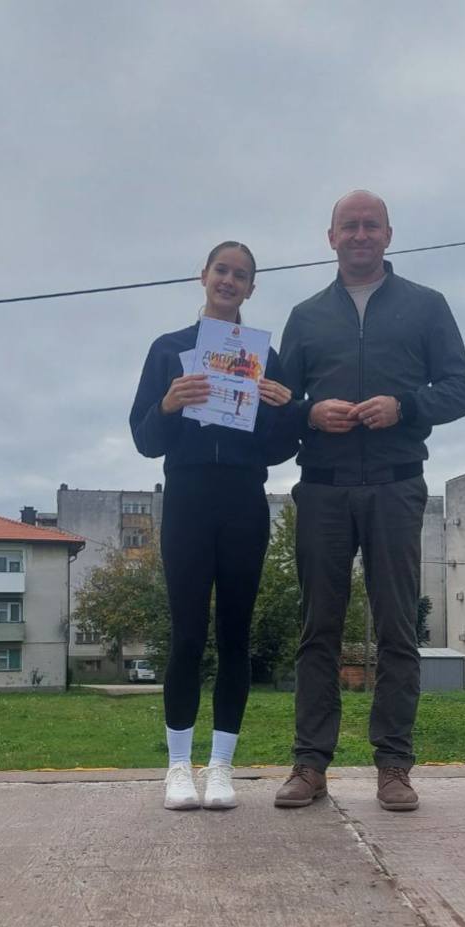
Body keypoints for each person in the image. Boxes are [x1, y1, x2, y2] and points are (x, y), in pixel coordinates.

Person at [276, 190, 465, 811]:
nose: (360, 235)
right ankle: (310, 764)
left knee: (397, 627)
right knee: (318, 629)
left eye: (370, 225)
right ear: (330, 237)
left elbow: (462, 389)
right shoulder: (305, 316)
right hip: (323, 488)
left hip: (396, 484)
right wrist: (311, 412)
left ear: (389, 234)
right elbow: (279, 404)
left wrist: (405, 406)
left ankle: (394, 766)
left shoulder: (426, 306)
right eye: (349, 226)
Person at [130, 241, 299, 811]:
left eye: (241, 275)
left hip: (244, 502)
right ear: (202, 275)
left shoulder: (265, 356)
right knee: (185, 635)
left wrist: (284, 408)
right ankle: (178, 766)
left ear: (252, 287)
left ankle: (221, 765)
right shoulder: (168, 349)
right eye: (221, 270)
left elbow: (280, 448)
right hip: (187, 499)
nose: (229, 280)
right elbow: (144, 440)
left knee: (234, 636)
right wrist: (168, 405)